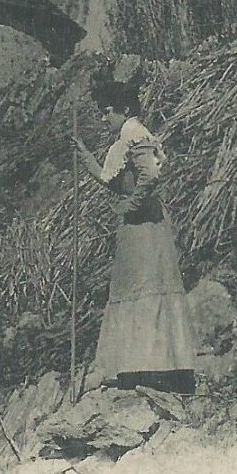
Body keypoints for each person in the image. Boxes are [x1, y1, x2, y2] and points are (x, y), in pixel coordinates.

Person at [73, 79, 196, 396]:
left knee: (144, 287)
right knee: (135, 287)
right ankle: (141, 365)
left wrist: (134, 202)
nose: (104, 118)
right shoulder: (125, 137)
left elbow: (151, 174)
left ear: (124, 110)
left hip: (144, 224)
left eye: (108, 112)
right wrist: (84, 154)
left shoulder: (134, 133)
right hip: (135, 225)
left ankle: (153, 368)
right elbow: (107, 177)